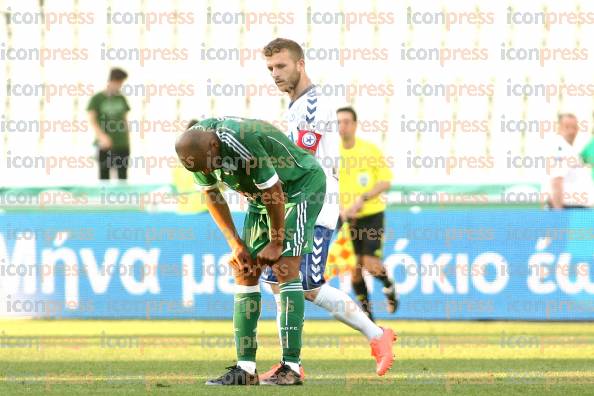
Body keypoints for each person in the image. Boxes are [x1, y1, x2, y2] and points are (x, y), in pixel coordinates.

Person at [261, 38, 396, 379]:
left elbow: (303, 163)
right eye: (271, 68)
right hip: (299, 201)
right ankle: (291, 361)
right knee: (280, 280)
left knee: (302, 283)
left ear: (300, 64)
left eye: (281, 66)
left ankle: (376, 337)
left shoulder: (313, 106)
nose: (275, 74)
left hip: (317, 203)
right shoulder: (294, 106)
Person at [176, 116, 326, 386]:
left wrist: (277, 241)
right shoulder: (196, 154)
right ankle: (245, 369)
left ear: (214, 145)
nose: (208, 171)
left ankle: (291, 367)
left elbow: (275, 191)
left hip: (298, 187)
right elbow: (212, 195)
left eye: (210, 164)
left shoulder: (241, 139)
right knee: (245, 272)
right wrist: (236, 244)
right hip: (259, 198)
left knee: (284, 268)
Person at [337, 106, 398, 321]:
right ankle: (368, 316)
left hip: (371, 214)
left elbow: (385, 181)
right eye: (338, 122)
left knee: (370, 264)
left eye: (346, 122)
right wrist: (341, 210)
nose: (341, 126)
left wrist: (363, 199)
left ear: (354, 125)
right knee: (354, 269)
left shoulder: (369, 150)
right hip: (346, 218)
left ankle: (389, 286)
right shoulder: (332, 153)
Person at [87, 68, 131, 180]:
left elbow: (125, 120)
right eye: (119, 82)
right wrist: (101, 137)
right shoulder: (97, 99)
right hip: (105, 145)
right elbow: (92, 119)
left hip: (122, 144)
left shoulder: (121, 98)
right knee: (104, 177)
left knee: (122, 177)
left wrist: (128, 139)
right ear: (112, 80)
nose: (120, 85)